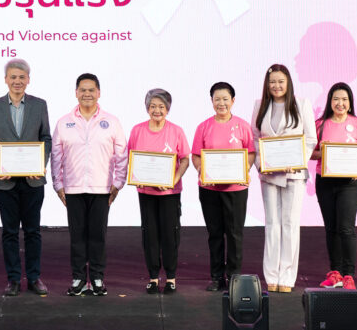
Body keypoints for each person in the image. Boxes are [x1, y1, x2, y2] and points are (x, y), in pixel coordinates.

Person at [0, 59, 52, 297]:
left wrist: (39, 165)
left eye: (22, 77)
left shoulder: (40, 105)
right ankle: (12, 279)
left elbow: (46, 138)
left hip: (32, 180)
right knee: (9, 232)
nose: (17, 81)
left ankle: (34, 277)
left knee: (33, 231)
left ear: (28, 79)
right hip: (5, 180)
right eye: (13, 77)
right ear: (6, 79)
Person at [51, 73, 127, 297]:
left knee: (97, 235)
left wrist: (118, 183)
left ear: (99, 93)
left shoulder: (111, 122)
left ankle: (96, 277)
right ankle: (77, 278)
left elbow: (121, 155)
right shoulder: (64, 123)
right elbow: (56, 156)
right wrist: (58, 184)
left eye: (91, 90)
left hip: (102, 189)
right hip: (73, 188)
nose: (87, 94)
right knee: (77, 235)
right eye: (82, 90)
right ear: (76, 93)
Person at [253, 65, 317, 293]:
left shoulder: (301, 104)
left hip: (294, 174)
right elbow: (254, 138)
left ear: (288, 82)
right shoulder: (260, 105)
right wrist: (262, 164)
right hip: (269, 174)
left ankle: (287, 277)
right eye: (272, 82)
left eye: (280, 81)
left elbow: (310, 138)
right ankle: (271, 274)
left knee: (290, 224)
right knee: (272, 223)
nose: (276, 86)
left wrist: (298, 160)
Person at [191, 82, 255, 292]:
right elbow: (196, 155)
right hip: (209, 190)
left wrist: (243, 170)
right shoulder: (203, 126)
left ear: (233, 101)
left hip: (235, 190)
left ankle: (234, 278)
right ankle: (217, 277)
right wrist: (202, 170)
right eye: (217, 99)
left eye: (225, 99)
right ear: (211, 101)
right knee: (215, 233)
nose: (221, 103)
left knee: (235, 234)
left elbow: (251, 152)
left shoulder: (243, 126)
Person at [127, 88, 189, 294]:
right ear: (147, 108)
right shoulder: (137, 130)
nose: (156, 110)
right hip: (146, 193)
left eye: (161, 106)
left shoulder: (176, 131)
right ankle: (153, 277)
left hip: (169, 194)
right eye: (152, 106)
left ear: (168, 109)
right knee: (150, 235)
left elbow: (185, 160)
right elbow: (131, 158)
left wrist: (173, 180)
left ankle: (171, 278)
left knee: (170, 235)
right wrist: (136, 177)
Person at [312, 83, 357, 291]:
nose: (340, 103)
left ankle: (349, 275)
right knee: (331, 228)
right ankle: (334, 273)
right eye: (336, 99)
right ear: (330, 101)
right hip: (325, 180)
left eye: (344, 99)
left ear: (350, 102)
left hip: (349, 183)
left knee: (346, 228)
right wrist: (328, 153)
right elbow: (311, 152)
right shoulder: (320, 124)